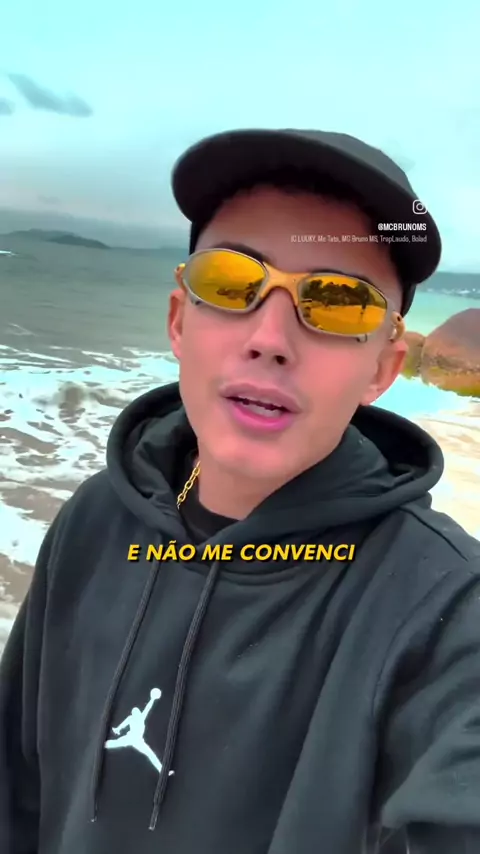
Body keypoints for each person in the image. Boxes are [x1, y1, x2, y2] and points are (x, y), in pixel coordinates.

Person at [0, 128, 479, 854]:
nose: (270, 337)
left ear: (383, 369)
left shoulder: (444, 608)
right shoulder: (96, 522)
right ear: (178, 321)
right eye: (230, 282)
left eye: (338, 301)